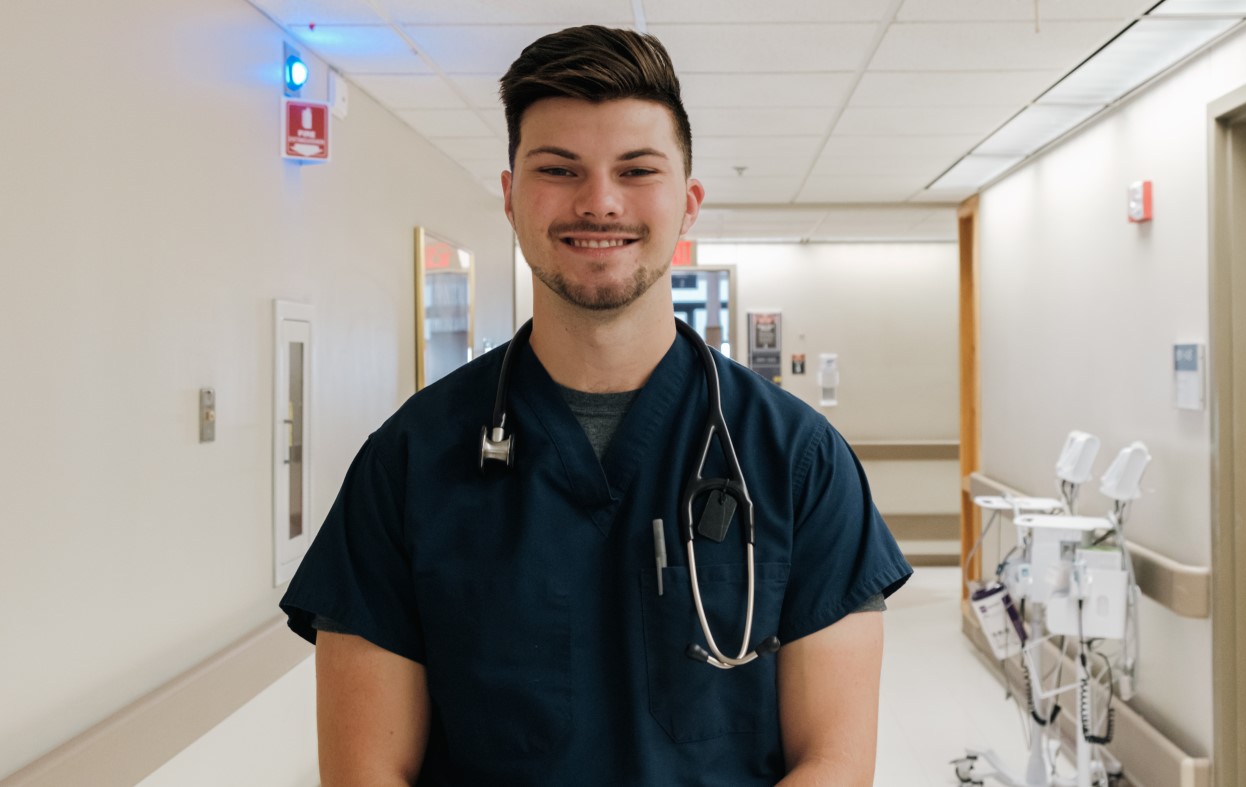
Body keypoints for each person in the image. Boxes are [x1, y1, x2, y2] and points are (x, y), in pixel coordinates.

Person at [280, 25, 912, 786]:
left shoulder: (797, 460)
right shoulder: (407, 464)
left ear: (689, 201)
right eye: (559, 168)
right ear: (512, 197)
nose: (600, 201)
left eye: (637, 169)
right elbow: (367, 770)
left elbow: (835, 762)